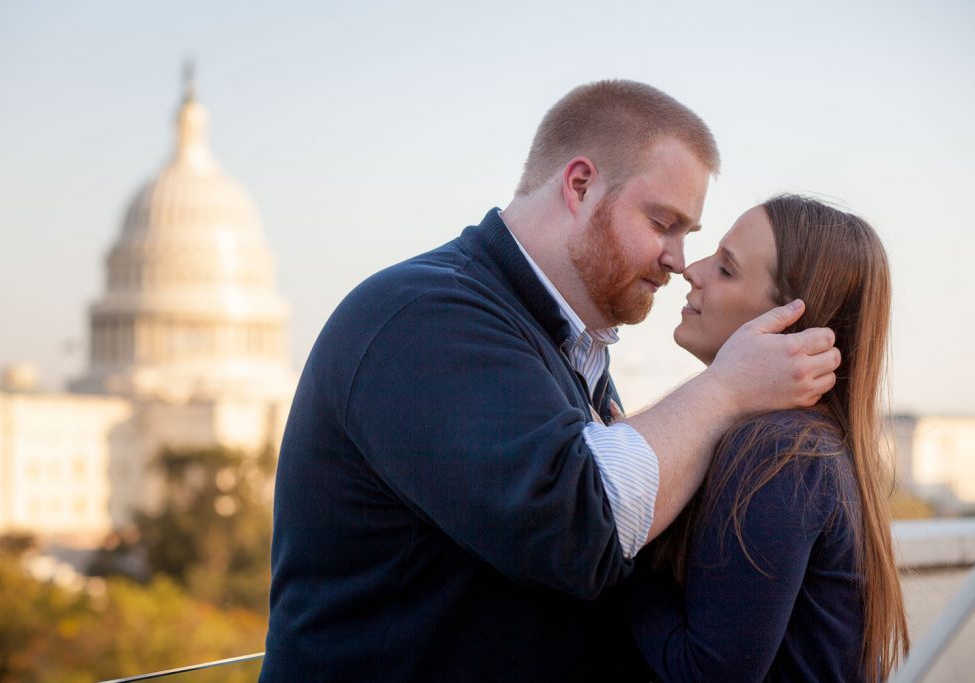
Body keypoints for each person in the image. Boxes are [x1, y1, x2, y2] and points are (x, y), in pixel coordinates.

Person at [259, 81, 840, 682]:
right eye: (663, 223)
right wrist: (726, 391)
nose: (677, 259)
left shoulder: (562, 343)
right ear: (580, 184)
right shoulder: (426, 316)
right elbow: (579, 527)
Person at [627, 195, 910, 681]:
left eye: (727, 269)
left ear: (788, 324)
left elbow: (706, 674)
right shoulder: (798, 446)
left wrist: (611, 539)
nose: (691, 269)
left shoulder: (782, 454)